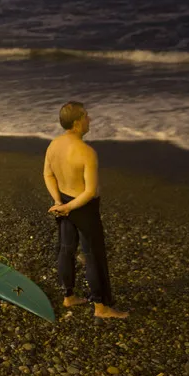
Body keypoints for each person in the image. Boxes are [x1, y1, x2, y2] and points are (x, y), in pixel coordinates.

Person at [43, 101, 128, 319]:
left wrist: (59, 203)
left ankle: (68, 295)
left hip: (63, 201)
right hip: (83, 207)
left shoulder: (54, 145)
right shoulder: (87, 152)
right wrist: (69, 207)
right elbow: (89, 192)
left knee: (66, 249)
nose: (90, 120)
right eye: (87, 116)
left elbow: (48, 175)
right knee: (93, 256)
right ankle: (101, 306)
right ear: (78, 122)